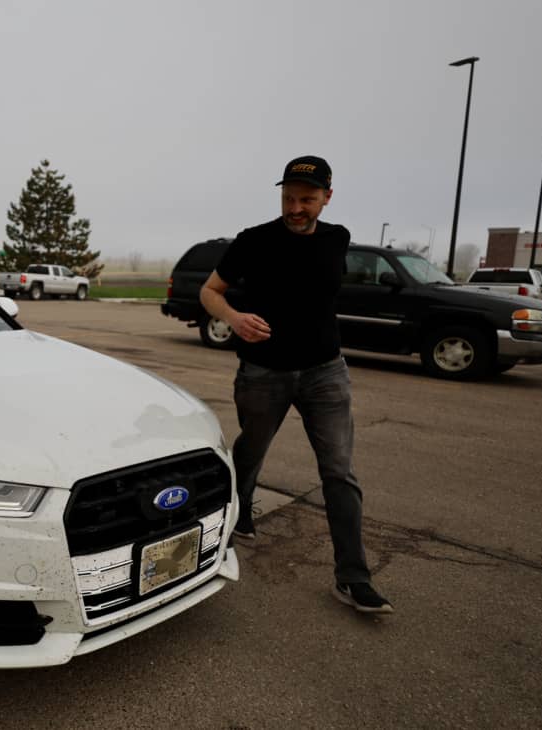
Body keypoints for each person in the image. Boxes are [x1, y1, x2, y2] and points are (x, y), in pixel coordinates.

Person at [199, 155, 393, 614]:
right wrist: (233, 319)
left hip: (326, 371)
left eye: (306, 199)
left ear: (327, 197)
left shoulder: (337, 238)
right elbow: (210, 291)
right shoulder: (252, 241)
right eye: (288, 197)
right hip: (263, 372)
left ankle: (353, 577)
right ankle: (240, 508)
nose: (295, 207)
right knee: (250, 451)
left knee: (339, 472)